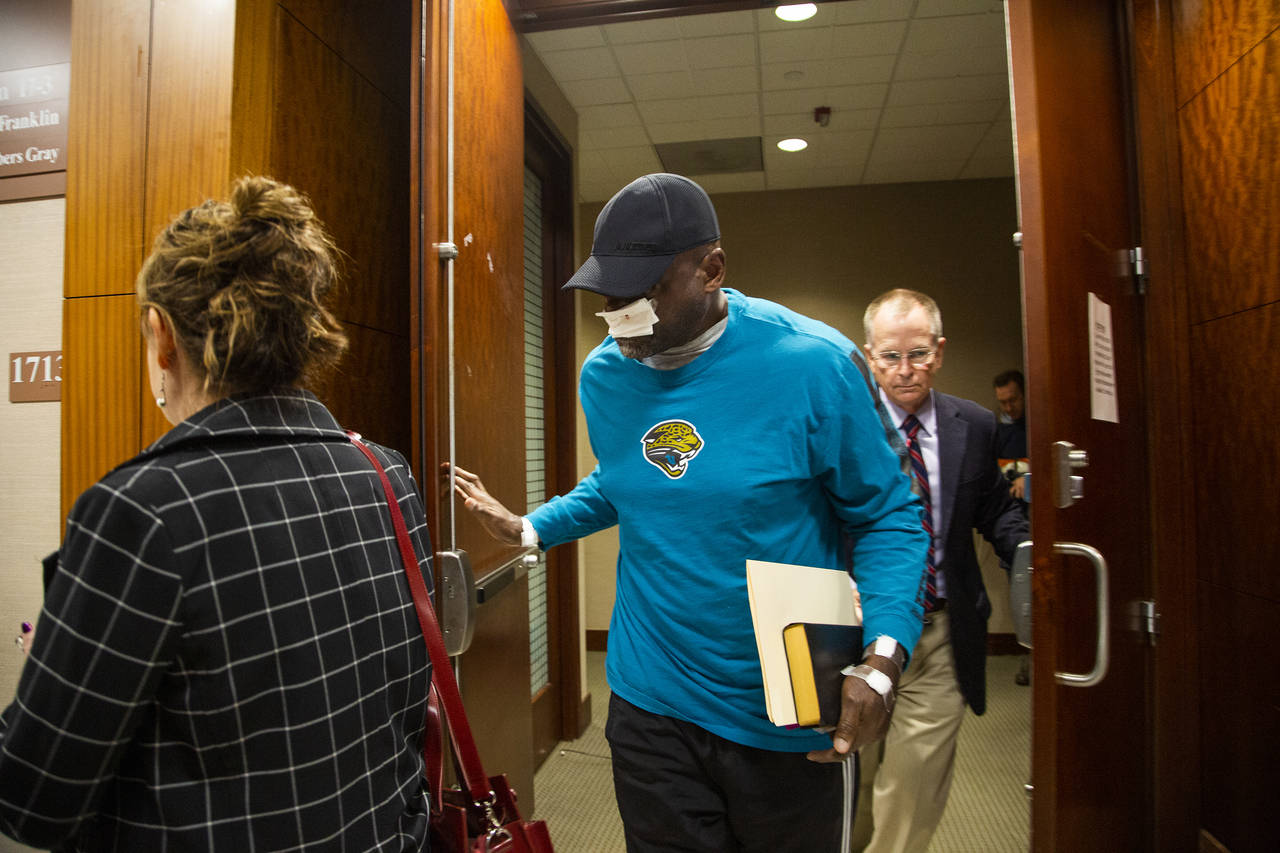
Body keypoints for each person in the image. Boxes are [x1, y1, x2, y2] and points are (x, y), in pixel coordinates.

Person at [450, 173, 928, 852]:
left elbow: (889, 517)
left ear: (712, 270)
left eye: (643, 292)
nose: (620, 317)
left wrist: (880, 659)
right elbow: (630, 480)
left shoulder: (813, 364)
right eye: (608, 296)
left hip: (786, 708)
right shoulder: (607, 375)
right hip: (652, 700)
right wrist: (534, 526)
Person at [0, 177, 435, 851]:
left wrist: (59, 675)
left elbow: (33, 798)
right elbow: (396, 706)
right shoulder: (386, 474)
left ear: (163, 335)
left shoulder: (142, 511)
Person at [852, 289, 1030, 853]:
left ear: (940, 351)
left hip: (940, 635)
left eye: (919, 355)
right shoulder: (845, 427)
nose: (905, 372)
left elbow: (996, 510)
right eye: (889, 357)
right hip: (857, 633)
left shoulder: (973, 425)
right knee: (849, 783)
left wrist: (1031, 557)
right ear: (869, 355)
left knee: (911, 793)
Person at [993, 369, 1029, 502]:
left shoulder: (1039, 427)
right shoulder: (996, 429)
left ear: (1024, 394)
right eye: (1003, 402)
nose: (1009, 408)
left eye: (1013, 400)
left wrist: (1029, 479)